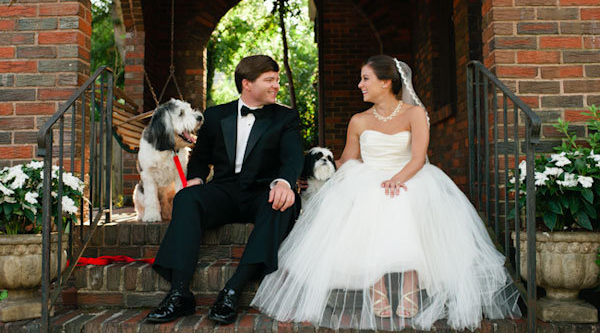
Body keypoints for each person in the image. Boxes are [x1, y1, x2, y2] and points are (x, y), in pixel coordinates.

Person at [251, 55, 521, 331]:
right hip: (368, 177)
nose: (360, 85)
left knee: (402, 198)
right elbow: (347, 160)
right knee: (369, 198)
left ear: (386, 82)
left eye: (366, 79)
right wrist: (310, 170)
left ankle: (410, 283)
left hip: (410, 174)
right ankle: (376, 284)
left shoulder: (414, 114)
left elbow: (418, 157)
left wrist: (397, 179)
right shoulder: (358, 120)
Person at [147, 55, 304, 324]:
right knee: (187, 197)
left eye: (277, 80)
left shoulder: (285, 117)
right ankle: (180, 293)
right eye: (270, 80)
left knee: (283, 204)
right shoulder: (217, 115)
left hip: (263, 191)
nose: (276, 85)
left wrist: (284, 182)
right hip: (224, 191)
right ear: (247, 84)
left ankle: (233, 289)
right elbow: (199, 158)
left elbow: (293, 157)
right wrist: (195, 178)